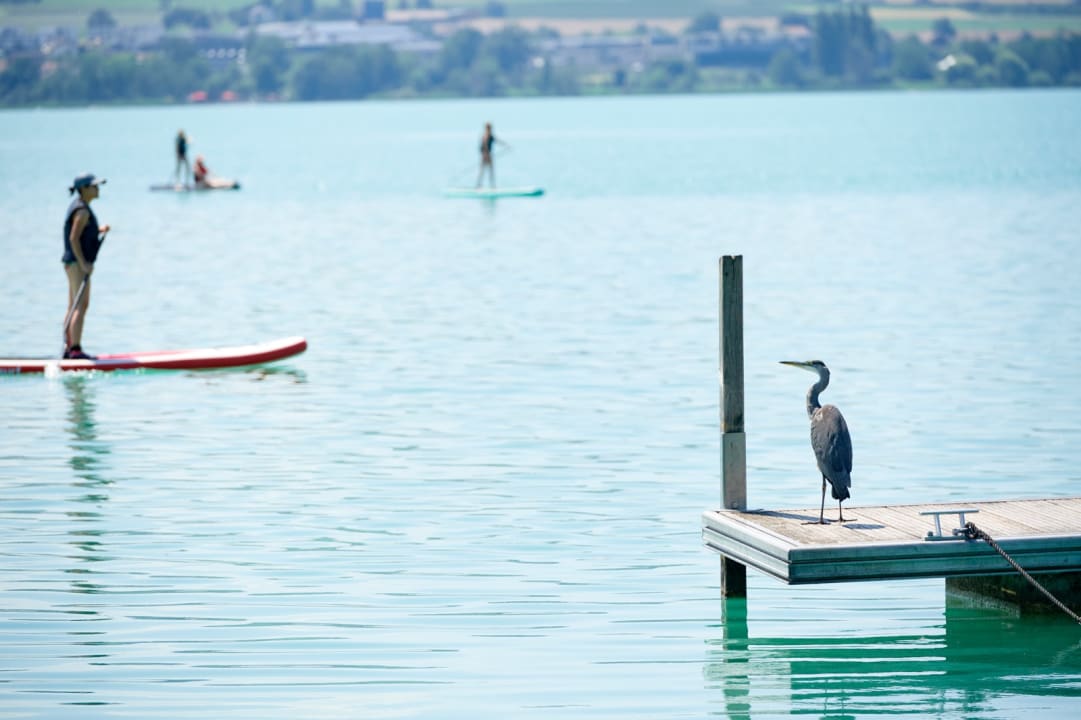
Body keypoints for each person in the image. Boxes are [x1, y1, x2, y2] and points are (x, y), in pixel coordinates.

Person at [63, 173, 110, 359]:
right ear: (83, 189)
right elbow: (73, 238)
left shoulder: (81, 208)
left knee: (73, 304)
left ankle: (69, 348)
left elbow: (83, 233)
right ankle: (75, 349)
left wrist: (99, 230)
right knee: (80, 305)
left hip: (72, 262)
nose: (97, 189)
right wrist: (83, 264)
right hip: (77, 264)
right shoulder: (82, 211)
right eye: (94, 186)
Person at [476, 122, 509, 188]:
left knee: (491, 172)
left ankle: (492, 186)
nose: (490, 129)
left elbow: (497, 141)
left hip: (489, 156)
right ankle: (478, 186)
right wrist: (486, 155)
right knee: (482, 171)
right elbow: (484, 146)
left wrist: (506, 145)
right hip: (485, 157)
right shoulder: (485, 136)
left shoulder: (491, 136)